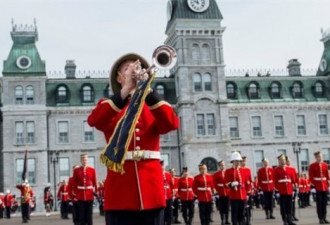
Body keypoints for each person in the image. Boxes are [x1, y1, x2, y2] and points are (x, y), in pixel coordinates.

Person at [87, 52, 179, 225]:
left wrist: (148, 91)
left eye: (138, 68)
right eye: (128, 68)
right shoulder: (110, 105)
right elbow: (95, 120)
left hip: (151, 190)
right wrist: (125, 89)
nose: (135, 70)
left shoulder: (153, 105)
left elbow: (171, 123)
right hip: (120, 192)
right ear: (119, 77)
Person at [73, 154, 98, 225]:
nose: (84, 161)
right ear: (81, 161)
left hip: (89, 194)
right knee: (82, 215)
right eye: (83, 160)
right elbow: (75, 182)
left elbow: (94, 181)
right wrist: (75, 193)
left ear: (88, 160)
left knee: (89, 214)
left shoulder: (92, 170)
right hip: (80, 195)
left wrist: (96, 190)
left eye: (86, 160)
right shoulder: (76, 170)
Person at [225, 152, 249, 225]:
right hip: (234, 195)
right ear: (233, 161)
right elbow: (226, 183)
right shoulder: (229, 171)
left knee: (242, 213)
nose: (237, 162)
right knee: (235, 212)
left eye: (238, 161)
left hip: (243, 194)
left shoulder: (243, 170)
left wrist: (247, 193)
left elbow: (246, 182)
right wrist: (232, 184)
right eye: (236, 161)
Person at [274, 154, 297, 225]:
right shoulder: (276, 170)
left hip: (289, 190)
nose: (283, 161)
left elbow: (294, 179)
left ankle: (289, 219)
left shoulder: (291, 169)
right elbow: (275, 181)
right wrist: (277, 190)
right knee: (283, 206)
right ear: (279, 161)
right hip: (282, 190)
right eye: (281, 160)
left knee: (289, 206)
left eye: (284, 159)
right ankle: (285, 220)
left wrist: (295, 184)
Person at [308, 151, 330, 224]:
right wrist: (313, 185)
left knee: (324, 203)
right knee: (319, 204)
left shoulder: (325, 165)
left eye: (320, 157)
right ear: (315, 157)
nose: (319, 158)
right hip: (317, 186)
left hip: (324, 186)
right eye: (317, 157)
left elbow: (327, 175)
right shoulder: (312, 165)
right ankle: (320, 218)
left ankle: (324, 217)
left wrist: (328, 182)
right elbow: (311, 176)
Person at [213, 160, 230, 225]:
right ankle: (222, 220)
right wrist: (216, 190)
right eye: (221, 165)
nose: (222, 166)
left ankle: (227, 220)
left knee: (227, 207)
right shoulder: (216, 174)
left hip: (227, 192)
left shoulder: (227, 172)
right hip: (220, 192)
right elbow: (214, 183)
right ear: (219, 166)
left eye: (223, 165)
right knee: (221, 208)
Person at [286, 156, 299, 222]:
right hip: (288, 188)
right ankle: (289, 216)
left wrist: (296, 183)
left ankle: (293, 215)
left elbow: (295, 178)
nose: (289, 162)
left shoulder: (292, 169)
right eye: (287, 161)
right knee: (289, 203)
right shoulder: (285, 169)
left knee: (293, 203)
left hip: (293, 188)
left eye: (289, 161)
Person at [241, 156, 253, 225]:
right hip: (242, 191)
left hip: (248, 191)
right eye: (242, 161)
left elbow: (250, 180)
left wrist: (250, 190)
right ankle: (243, 220)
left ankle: (248, 220)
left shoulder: (248, 170)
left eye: (245, 161)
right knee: (242, 207)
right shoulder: (239, 170)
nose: (244, 162)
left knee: (248, 207)